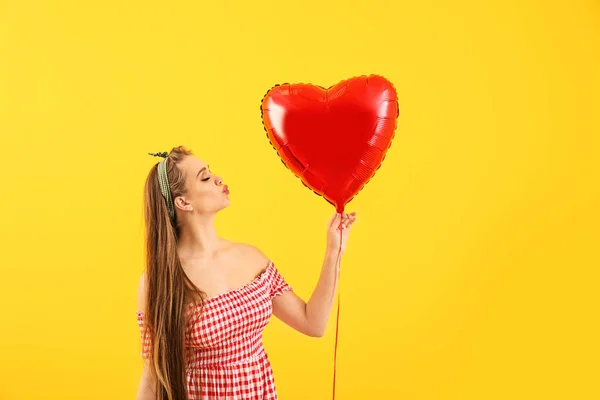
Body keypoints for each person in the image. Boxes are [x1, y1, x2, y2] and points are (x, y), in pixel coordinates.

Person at [136, 145, 357, 400]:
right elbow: (153, 375)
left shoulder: (251, 257)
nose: (219, 179)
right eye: (205, 177)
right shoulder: (159, 280)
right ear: (183, 202)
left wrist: (334, 251)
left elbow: (313, 323)